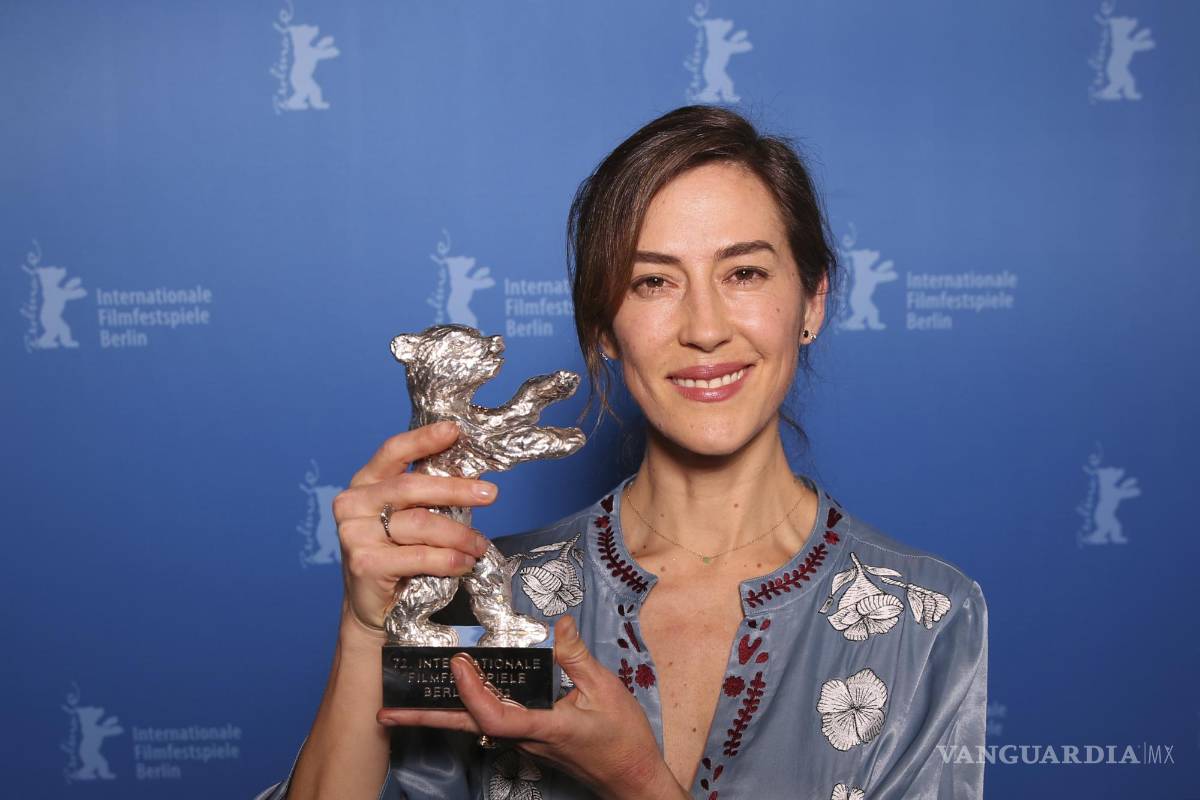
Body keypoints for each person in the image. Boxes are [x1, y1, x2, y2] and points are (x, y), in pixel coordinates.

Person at [257, 105, 988, 800]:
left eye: (744, 273)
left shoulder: (925, 617)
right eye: (653, 282)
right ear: (604, 327)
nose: (704, 327)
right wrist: (364, 634)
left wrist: (634, 778)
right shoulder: (488, 599)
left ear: (813, 300)